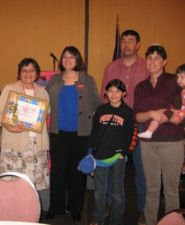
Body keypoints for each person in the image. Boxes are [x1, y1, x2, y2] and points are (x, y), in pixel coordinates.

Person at [46, 46, 101, 221]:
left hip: (81, 133)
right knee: (58, 171)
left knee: (77, 172)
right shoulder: (54, 80)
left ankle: (76, 208)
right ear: (61, 60)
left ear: (78, 59)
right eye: (65, 57)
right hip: (57, 133)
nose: (68, 60)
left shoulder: (87, 79)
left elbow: (96, 104)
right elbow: (43, 102)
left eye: (72, 57)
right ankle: (56, 207)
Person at [100, 29, 148, 224]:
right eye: (123, 41)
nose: (126, 44)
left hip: (140, 125)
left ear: (138, 45)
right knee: (113, 167)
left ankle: (143, 209)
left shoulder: (147, 67)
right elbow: (105, 96)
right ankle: (111, 203)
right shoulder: (111, 67)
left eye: (131, 41)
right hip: (115, 127)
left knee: (141, 169)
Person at [134, 45, 185, 225]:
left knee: (170, 190)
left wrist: (166, 116)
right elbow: (137, 116)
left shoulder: (175, 81)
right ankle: (150, 222)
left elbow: (182, 109)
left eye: (157, 58)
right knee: (152, 188)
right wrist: (152, 114)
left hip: (172, 142)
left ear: (164, 62)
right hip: (148, 144)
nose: (152, 61)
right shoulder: (141, 86)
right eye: (149, 58)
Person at [0, 58, 50, 210]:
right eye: (24, 70)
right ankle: (12, 212)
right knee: (13, 182)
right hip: (15, 142)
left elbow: (45, 114)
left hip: (36, 144)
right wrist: (9, 126)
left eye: (31, 70)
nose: (28, 74)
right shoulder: (10, 88)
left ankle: (30, 211)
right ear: (19, 73)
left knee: (32, 184)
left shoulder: (43, 92)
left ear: (37, 73)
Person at [89, 79, 136, 225]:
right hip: (100, 157)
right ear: (106, 93)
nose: (114, 94)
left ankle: (117, 221)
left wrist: (126, 152)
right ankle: (98, 219)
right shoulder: (101, 110)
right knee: (99, 192)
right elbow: (94, 132)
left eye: (117, 91)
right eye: (110, 91)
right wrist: (91, 152)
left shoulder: (128, 112)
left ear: (123, 93)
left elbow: (132, 135)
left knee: (117, 192)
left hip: (118, 157)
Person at [138, 63, 185, 138]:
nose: (178, 80)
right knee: (160, 113)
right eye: (178, 77)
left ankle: (149, 132)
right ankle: (149, 132)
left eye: (182, 77)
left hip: (181, 114)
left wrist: (180, 114)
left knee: (161, 114)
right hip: (179, 112)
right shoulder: (181, 90)